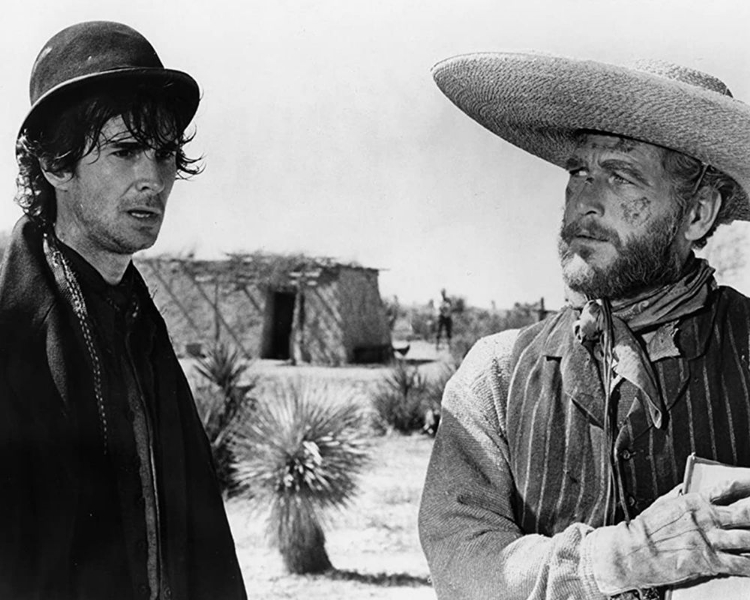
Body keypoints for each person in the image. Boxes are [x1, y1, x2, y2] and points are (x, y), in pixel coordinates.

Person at [419, 52, 750, 600]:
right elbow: (463, 566)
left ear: (697, 215)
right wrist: (620, 558)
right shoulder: (498, 375)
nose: (584, 203)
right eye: (579, 172)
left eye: (620, 176)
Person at [0, 21, 247, 600]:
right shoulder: (10, 328)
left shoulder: (137, 321)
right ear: (56, 165)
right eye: (125, 150)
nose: (153, 179)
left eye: (164, 155)